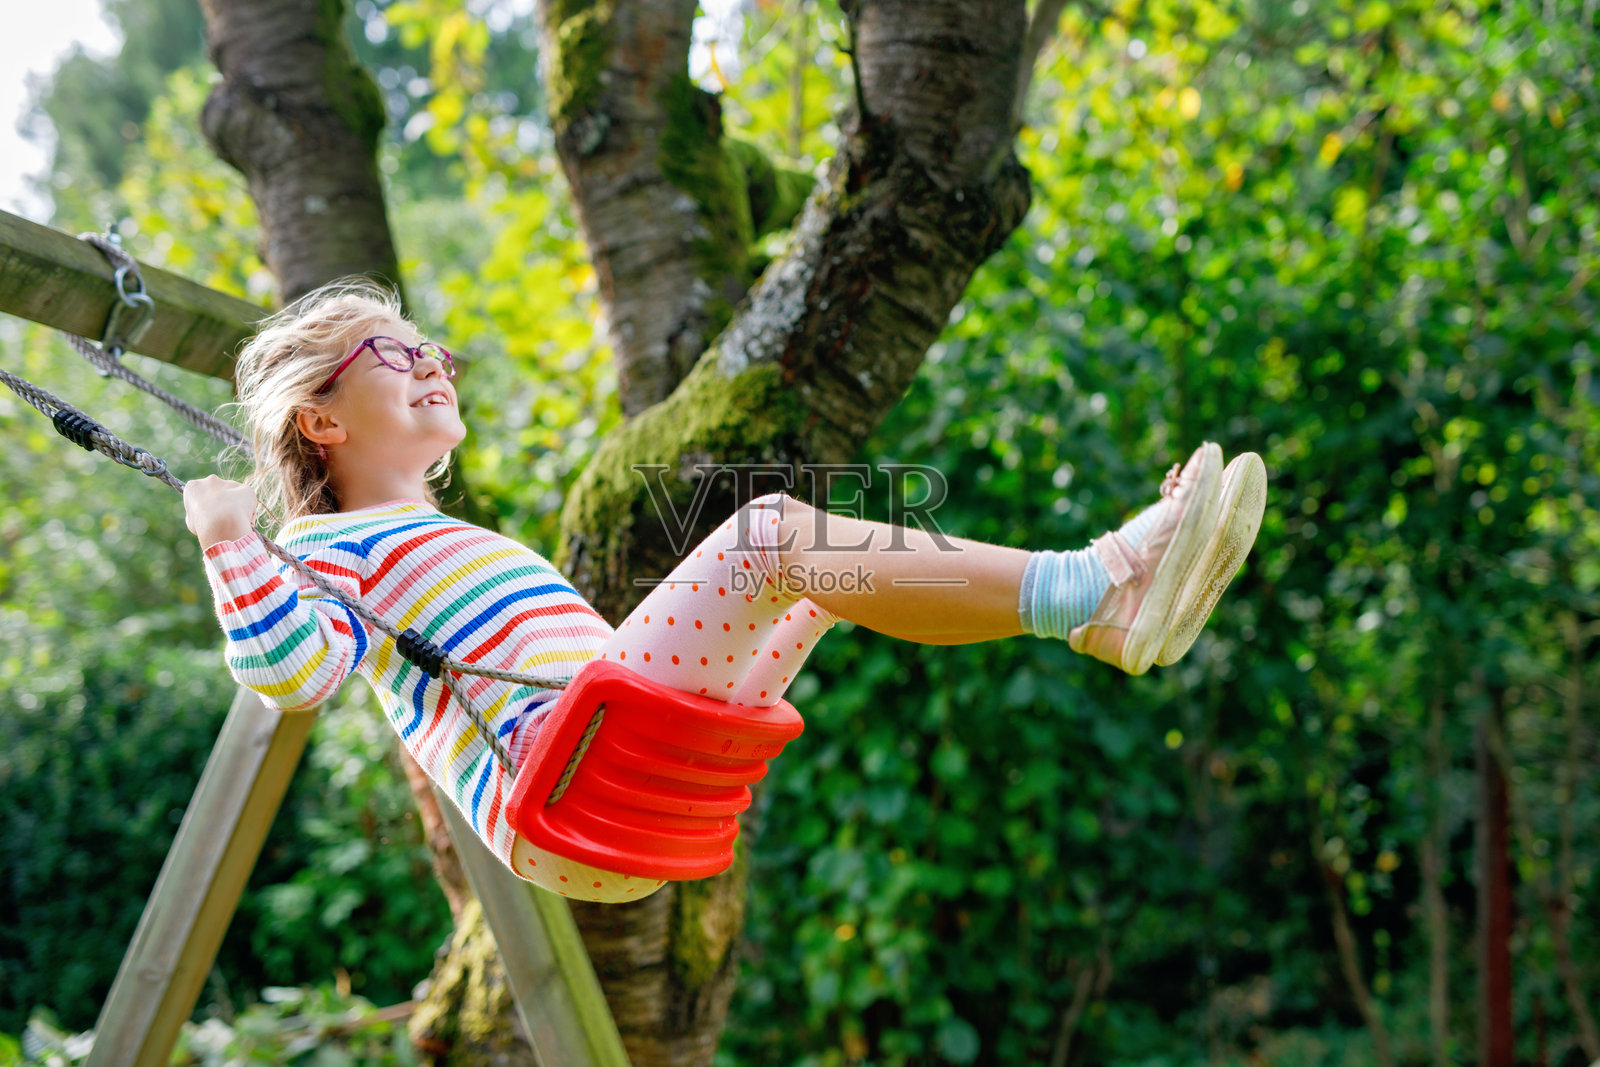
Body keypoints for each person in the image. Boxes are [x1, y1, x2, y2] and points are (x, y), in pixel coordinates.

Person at [186, 279, 1266, 902]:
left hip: (632, 785)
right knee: (770, 536)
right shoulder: (327, 554)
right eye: (392, 353)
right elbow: (294, 675)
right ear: (320, 419)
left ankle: (1101, 619)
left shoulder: (430, 536)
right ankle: (1095, 577)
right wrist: (229, 535)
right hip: (570, 790)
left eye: (436, 352)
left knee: (822, 576)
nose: (431, 364)